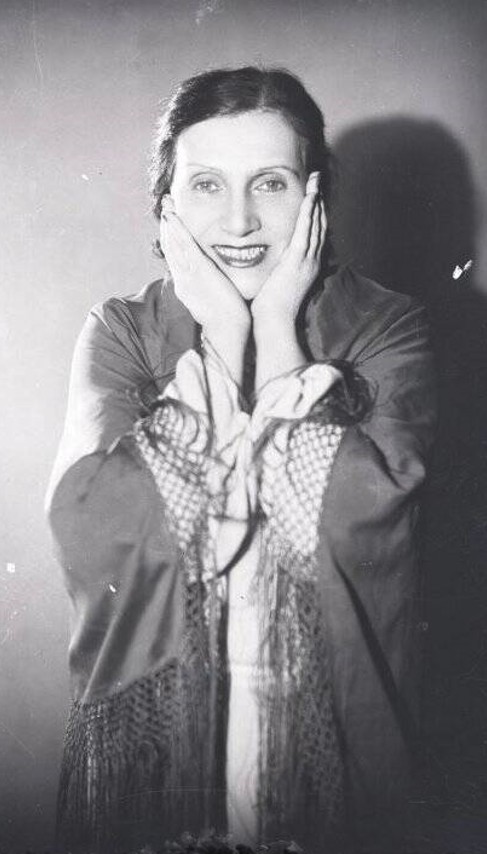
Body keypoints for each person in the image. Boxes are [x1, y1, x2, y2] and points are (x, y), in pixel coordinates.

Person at [46, 67, 436, 854]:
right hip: (155, 765)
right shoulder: (123, 330)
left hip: (332, 759)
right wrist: (224, 331)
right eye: (205, 186)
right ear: (167, 203)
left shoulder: (387, 326)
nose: (239, 220)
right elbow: (99, 528)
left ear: (313, 195)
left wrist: (279, 329)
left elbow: (347, 519)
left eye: (270, 183)